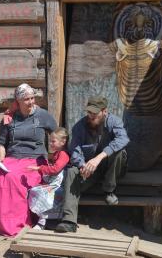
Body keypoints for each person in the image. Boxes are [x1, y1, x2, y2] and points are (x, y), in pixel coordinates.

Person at [0, 83, 57, 236]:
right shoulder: (9, 118)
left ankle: (14, 224)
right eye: (27, 99)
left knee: (14, 180)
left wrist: (56, 154)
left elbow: (58, 134)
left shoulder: (43, 115)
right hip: (12, 158)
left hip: (35, 159)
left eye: (33, 98)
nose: (31, 102)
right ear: (18, 101)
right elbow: (1, 143)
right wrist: (1, 157)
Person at [55, 95, 129, 233]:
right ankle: (69, 221)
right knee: (71, 171)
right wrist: (82, 165)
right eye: (89, 112)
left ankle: (108, 190)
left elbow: (123, 139)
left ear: (104, 111)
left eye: (95, 112)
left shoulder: (114, 122)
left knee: (120, 153)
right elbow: (75, 150)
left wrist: (99, 157)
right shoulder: (80, 126)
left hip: (111, 169)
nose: (91, 115)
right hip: (90, 171)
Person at [27, 127, 70, 230]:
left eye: (53, 141)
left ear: (63, 142)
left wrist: (39, 168)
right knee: (34, 190)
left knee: (40, 193)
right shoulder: (56, 154)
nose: (50, 143)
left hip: (59, 185)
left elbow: (55, 169)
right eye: (50, 141)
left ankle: (43, 221)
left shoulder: (63, 154)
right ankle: (44, 219)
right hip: (54, 183)